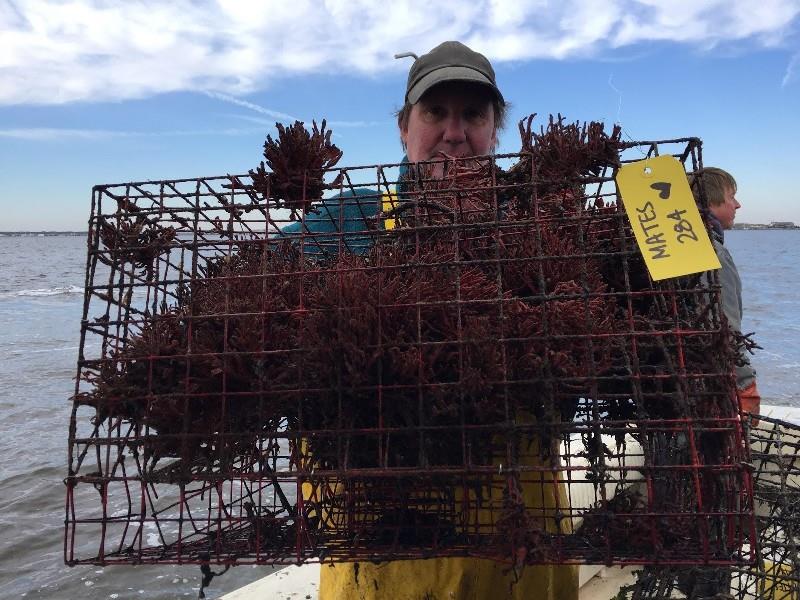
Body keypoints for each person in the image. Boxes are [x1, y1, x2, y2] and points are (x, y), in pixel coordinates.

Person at [287, 41, 579, 600]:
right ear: (403, 127)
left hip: (519, 557)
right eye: (435, 113)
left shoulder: (539, 227)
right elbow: (246, 305)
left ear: (497, 130)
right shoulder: (350, 219)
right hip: (380, 561)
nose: (454, 132)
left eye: (473, 114)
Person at [691, 167, 760, 416]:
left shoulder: (683, 247)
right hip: (709, 386)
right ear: (710, 201)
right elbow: (723, 327)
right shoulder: (712, 252)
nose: (738, 204)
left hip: (678, 379)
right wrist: (745, 385)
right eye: (732, 196)